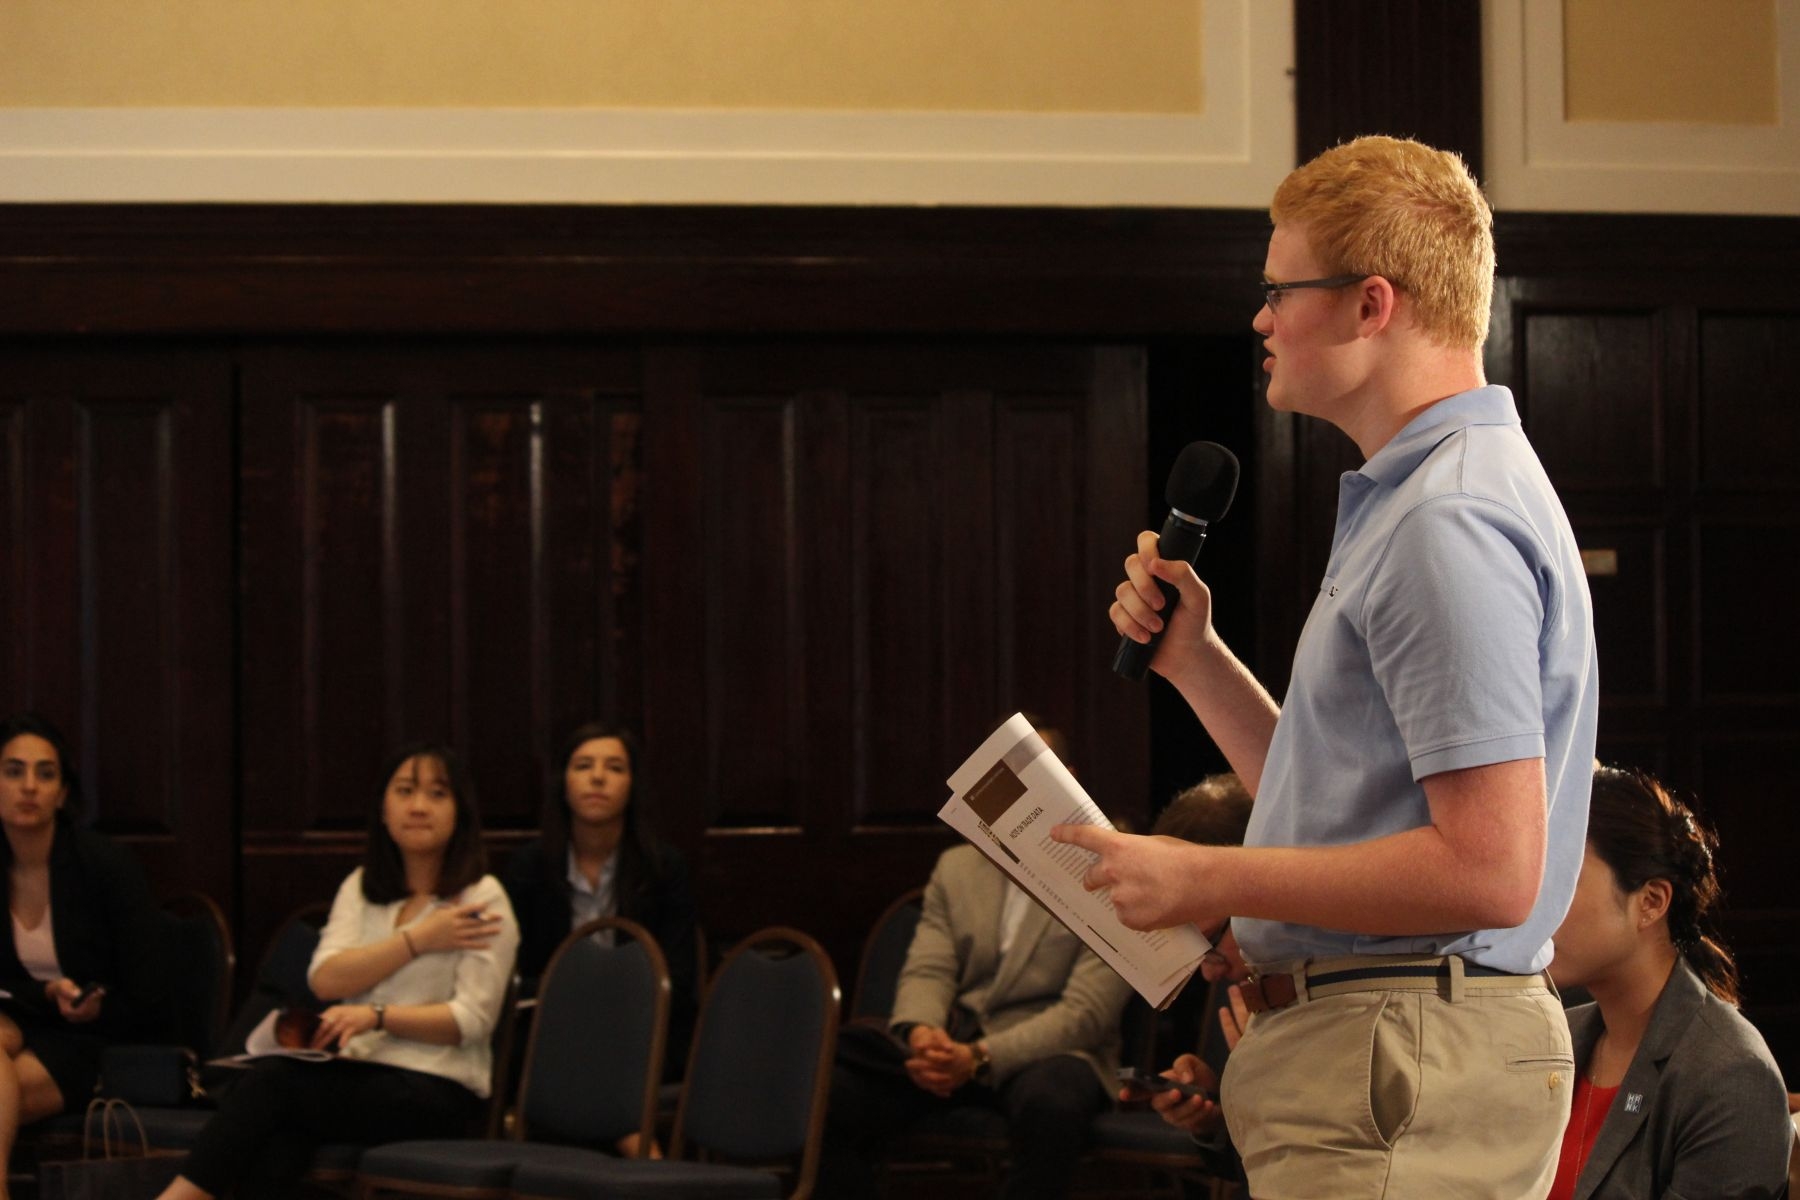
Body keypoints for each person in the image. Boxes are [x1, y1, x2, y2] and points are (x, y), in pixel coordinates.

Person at [1054, 134, 1599, 1198]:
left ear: (1369, 305)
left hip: (1404, 1045)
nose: (1261, 321)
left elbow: (1490, 871)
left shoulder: (1447, 519)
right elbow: (1354, 807)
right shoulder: (1428, 495)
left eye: (1278, 291)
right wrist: (1197, 662)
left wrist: (1210, 875)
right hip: (1394, 1038)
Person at [156, 744, 518, 1200]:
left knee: (275, 1083)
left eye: (437, 794)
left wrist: (377, 1016)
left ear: (460, 811)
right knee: (279, 1142)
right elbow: (325, 978)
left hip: (439, 1087)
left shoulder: (482, 897)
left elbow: (471, 1021)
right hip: (359, 1073)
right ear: (383, 810)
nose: (418, 806)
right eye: (405, 791)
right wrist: (418, 939)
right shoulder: (362, 887)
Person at [817, 727, 1134, 1200]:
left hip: (1052, 1052)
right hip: (956, 1040)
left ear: (1068, 781)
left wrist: (979, 1057)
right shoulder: (957, 868)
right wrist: (924, 1036)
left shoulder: (1111, 869)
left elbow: (1085, 1015)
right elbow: (929, 969)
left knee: (1052, 1106)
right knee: (828, 1095)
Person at [1546, 766, 1790, 1199]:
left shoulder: (1729, 1074)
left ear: (1651, 902)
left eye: (1564, 881)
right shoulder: (1556, 1037)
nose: (1539, 908)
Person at [0, 712, 164, 1192]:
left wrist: (94, 1005)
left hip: (93, 1037)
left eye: (45, 773)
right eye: (13, 771)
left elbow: (151, 992)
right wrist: (43, 995)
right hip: (20, 1021)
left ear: (62, 793)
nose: (29, 786)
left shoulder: (105, 865)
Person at [501, 722, 698, 1075]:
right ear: (563, 784)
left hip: (640, 1029)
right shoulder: (529, 867)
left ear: (633, 786)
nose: (597, 778)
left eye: (615, 768)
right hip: (550, 1030)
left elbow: (678, 978)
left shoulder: (664, 868)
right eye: (583, 766)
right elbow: (511, 976)